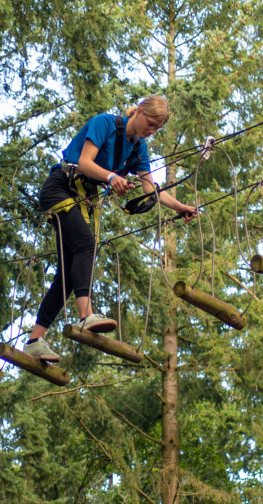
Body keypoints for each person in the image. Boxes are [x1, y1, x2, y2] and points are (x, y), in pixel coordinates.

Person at [25, 96, 197, 362]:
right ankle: (86, 316)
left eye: (156, 129)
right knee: (86, 245)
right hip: (60, 188)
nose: (150, 131)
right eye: (150, 123)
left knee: (68, 277)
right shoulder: (104, 123)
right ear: (138, 111)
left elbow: (150, 189)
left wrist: (180, 207)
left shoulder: (140, 149)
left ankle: (35, 340)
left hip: (84, 198)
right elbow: (84, 162)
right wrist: (111, 177)